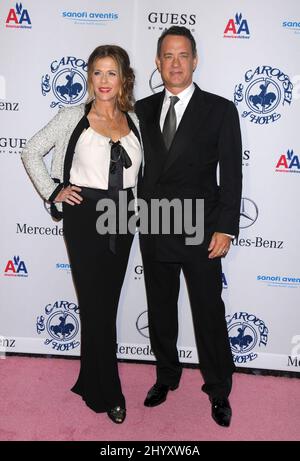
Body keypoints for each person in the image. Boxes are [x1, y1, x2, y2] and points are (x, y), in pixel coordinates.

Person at [21, 45, 142, 424]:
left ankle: (90, 380)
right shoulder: (72, 116)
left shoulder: (135, 120)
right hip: (84, 216)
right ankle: (111, 391)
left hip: (123, 218)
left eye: (111, 73)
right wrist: (53, 189)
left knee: (104, 305)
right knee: (96, 306)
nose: (103, 81)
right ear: (89, 77)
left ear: (123, 78)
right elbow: (30, 150)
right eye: (97, 73)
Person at [135, 26, 242, 427]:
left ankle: (218, 389)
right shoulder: (141, 110)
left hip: (201, 228)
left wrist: (225, 227)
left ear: (195, 60)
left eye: (183, 55)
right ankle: (166, 377)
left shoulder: (219, 110)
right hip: (155, 225)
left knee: (208, 312)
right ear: (158, 62)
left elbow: (232, 175)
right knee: (161, 309)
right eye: (168, 56)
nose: (175, 63)